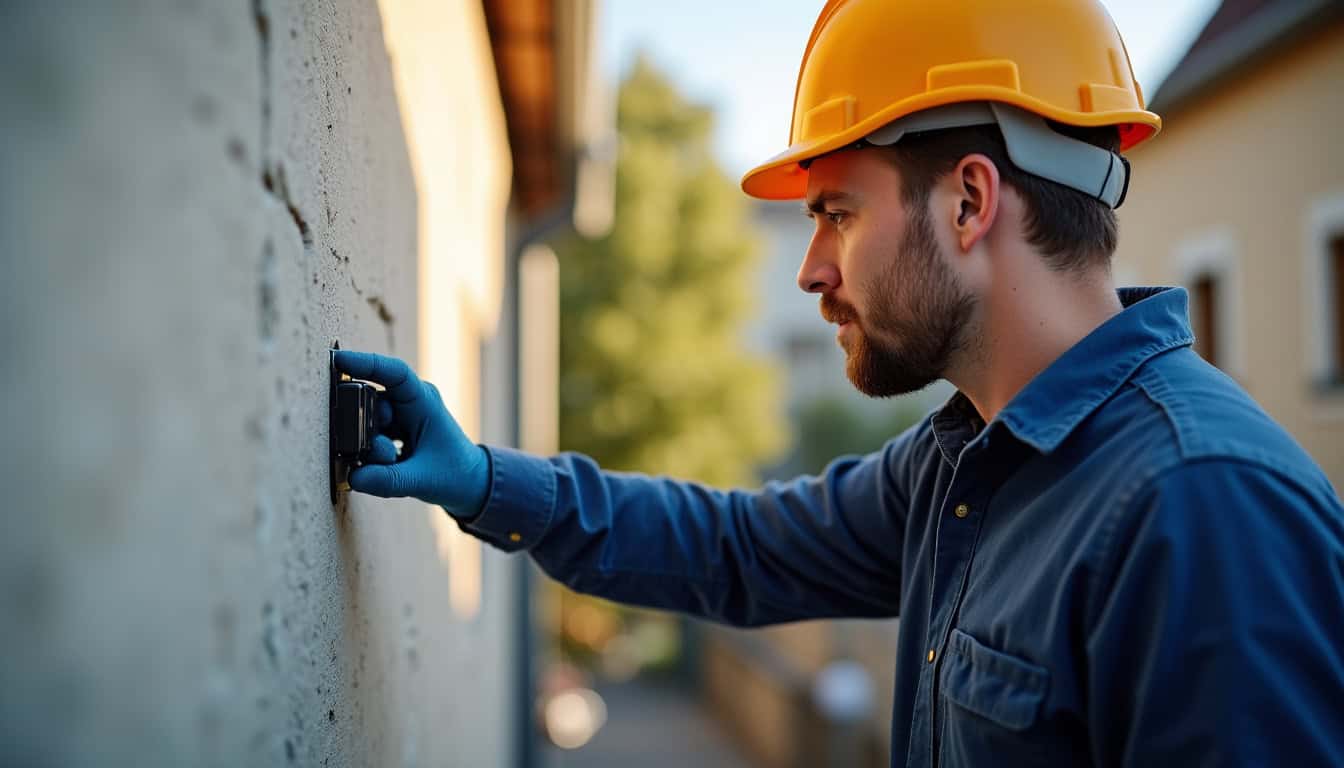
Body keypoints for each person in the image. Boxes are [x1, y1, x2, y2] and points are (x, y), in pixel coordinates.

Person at [335, 0, 1344, 764]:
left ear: (969, 201)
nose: (813, 267)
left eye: (838, 213)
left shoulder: (1203, 507)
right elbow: (732, 550)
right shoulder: (957, 468)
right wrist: (475, 479)